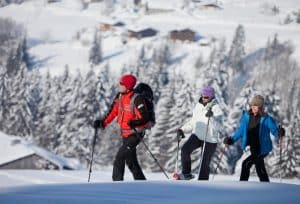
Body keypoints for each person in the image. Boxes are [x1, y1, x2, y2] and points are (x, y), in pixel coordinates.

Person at [93, 74, 151, 181]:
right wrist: (102, 123)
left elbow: (145, 117)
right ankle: (142, 182)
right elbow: (113, 112)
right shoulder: (119, 97)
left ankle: (117, 184)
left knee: (120, 158)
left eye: (121, 83)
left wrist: (135, 122)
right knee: (131, 160)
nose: (119, 85)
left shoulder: (137, 99)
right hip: (125, 134)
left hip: (135, 134)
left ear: (127, 86)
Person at [223, 95, 285, 182]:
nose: (253, 107)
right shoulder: (246, 117)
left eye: (256, 106)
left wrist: (279, 132)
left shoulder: (266, 119)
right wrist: (231, 139)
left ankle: (242, 185)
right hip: (253, 147)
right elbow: (240, 131)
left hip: (262, 148)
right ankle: (266, 186)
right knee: (260, 168)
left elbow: (274, 131)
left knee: (246, 164)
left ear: (260, 107)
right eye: (252, 105)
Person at [177, 86, 223, 180]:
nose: (204, 98)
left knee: (204, 163)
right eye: (203, 96)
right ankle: (186, 174)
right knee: (185, 150)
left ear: (211, 97)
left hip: (210, 138)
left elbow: (220, 127)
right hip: (197, 135)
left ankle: (202, 183)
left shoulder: (216, 108)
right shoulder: (199, 105)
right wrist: (182, 129)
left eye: (206, 97)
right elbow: (193, 121)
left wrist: (212, 117)